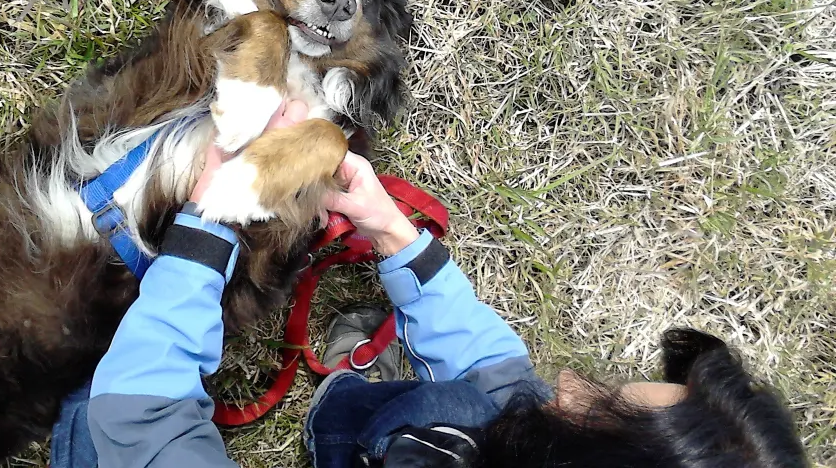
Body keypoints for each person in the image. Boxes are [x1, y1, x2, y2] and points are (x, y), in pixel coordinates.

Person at [51, 100, 808, 468]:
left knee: (98, 403)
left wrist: (206, 228)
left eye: (600, 405)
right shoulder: (521, 432)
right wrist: (396, 239)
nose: (569, 381)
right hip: (412, 447)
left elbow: (146, 421)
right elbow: (502, 383)